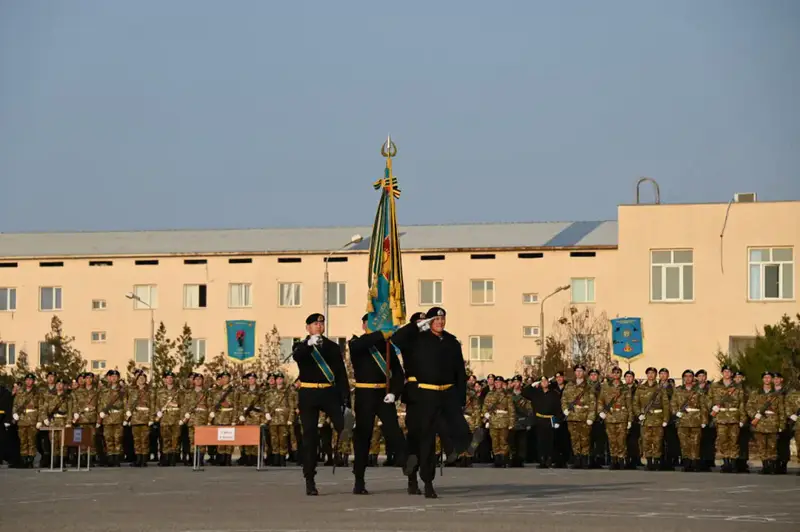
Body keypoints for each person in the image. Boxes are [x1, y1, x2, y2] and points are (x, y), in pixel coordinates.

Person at [390, 307, 470, 499]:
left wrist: (460, 398)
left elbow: (460, 372)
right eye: (436, 319)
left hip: (445, 395)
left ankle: (457, 449)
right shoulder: (416, 339)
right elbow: (396, 339)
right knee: (421, 440)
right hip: (422, 396)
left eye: (443, 319)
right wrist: (416, 326)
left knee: (447, 430)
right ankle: (419, 479)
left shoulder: (451, 341)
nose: (440, 322)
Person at [348, 313, 407, 494]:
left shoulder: (386, 346)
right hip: (364, 394)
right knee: (363, 436)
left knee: (394, 432)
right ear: (364, 325)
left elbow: (398, 373)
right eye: (370, 323)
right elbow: (361, 345)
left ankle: (409, 471)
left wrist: (394, 393)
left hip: (383, 394)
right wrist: (381, 333)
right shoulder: (356, 343)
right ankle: (359, 479)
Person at [292, 313, 350, 496]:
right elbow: (298, 356)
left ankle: (343, 457)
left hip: (328, 392)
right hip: (309, 393)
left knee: (344, 424)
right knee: (309, 436)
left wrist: (345, 398)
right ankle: (309, 478)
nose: (319, 326)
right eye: (315, 324)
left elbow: (340, 373)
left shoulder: (332, 346)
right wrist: (309, 344)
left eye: (321, 323)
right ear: (308, 328)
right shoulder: (300, 346)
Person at [746, 371, 785, 474]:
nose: (767, 379)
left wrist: (781, 424)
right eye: (765, 377)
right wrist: (755, 415)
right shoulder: (755, 393)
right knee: (761, 446)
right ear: (762, 379)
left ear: (772, 380)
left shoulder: (777, 394)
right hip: (759, 423)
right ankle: (765, 466)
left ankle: (772, 467)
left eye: (769, 378)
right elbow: (749, 406)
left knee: (772, 446)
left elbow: (781, 410)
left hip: (773, 423)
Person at [708, 365, 745, 473]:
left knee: (734, 441)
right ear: (722, 373)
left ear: (732, 374)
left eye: (729, 372)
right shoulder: (715, 386)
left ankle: (733, 463)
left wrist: (742, 418)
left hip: (734, 416)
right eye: (725, 371)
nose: (727, 373)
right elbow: (709, 399)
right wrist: (713, 407)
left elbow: (742, 403)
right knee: (722, 440)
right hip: (721, 416)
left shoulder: (738, 387)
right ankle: (726, 463)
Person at [670, 369, 708, 472]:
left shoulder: (699, 391)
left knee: (695, 442)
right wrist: (675, 412)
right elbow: (673, 403)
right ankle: (686, 463)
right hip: (682, 420)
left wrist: (704, 420)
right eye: (686, 376)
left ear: (693, 378)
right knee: (684, 443)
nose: (688, 378)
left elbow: (704, 406)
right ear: (683, 378)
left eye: (690, 376)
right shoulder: (678, 390)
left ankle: (694, 462)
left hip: (696, 419)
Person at [633, 367, 669, 471]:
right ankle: (649, 462)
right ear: (646, 375)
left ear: (656, 375)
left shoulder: (660, 388)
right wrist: (639, 414)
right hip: (645, 419)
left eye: (653, 373)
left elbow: (666, 405)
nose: (651, 375)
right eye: (649, 373)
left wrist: (665, 419)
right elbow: (635, 403)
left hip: (658, 418)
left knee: (658, 441)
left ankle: (657, 462)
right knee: (646, 441)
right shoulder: (640, 388)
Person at [561, 365, 596, 469]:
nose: (578, 373)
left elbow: (593, 403)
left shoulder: (589, 386)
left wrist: (591, 417)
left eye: (580, 371)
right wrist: (565, 409)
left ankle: (584, 460)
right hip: (572, 416)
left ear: (584, 372)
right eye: (577, 371)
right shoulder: (569, 385)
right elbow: (564, 399)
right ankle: (577, 459)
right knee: (574, 439)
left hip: (584, 417)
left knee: (585, 439)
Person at [523, 376, 562, 468]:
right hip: (539, 420)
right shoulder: (536, 393)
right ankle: (542, 460)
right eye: (542, 381)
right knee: (540, 441)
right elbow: (524, 392)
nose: (544, 382)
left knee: (550, 441)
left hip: (550, 420)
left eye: (545, 381)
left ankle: (549, 459)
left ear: (548, 382)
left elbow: (558, 408)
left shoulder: (554, 394)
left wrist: (557, 420)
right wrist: (532, 385)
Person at [597, 367, 631, 470]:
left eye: (618, 373)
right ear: (611, 374)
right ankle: (613, 460)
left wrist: (630, 419)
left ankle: (621, 460)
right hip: (610, 416)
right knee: (612, 440)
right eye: (614, 373)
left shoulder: (625, 388)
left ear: (620, 374)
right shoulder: (605, 386)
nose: (616, 374)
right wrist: (600, 412)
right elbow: (600, 401)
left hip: (622, 416)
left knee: (621, 440)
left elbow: (629, 405)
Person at [98, 369, 126, 467]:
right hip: (107, 417)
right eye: (112, 376)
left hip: (118, 416)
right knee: (108, 438)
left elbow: (125, 403)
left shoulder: (122, 390)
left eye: (115, 376)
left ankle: (117, 458)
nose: (113, 378)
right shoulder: (104, 390)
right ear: (109, 378)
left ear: (118, 378)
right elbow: (100, 403)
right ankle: (110, 458)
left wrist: (126, 417)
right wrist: (100, 414)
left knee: (118, 438)